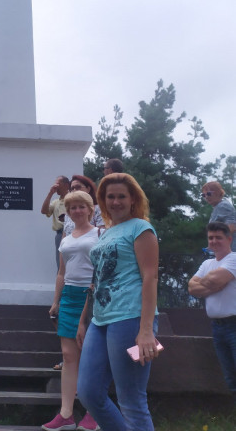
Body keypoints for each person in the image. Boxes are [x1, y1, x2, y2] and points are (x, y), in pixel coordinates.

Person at [76, 173, 159, 431]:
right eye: (110, 196)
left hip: (130, 318)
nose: (115, 201)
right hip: (100, 320)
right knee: (89, 393)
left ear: (133, 199)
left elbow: (150, 277)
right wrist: (83, 320)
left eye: (121, 196)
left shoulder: (141, 228)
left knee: (131, 401)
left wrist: (146, 331)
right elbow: (96, 280)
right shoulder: (106, 233)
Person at [42, 191, 99, 431]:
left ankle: (94, 412)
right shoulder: (65, 238)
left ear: (90, 209)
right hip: (68, 296)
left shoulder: (100, 234)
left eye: (81, 206)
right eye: (72, 207)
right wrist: (56, 301)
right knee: (68, 355)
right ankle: (66, 414)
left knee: (91, 354)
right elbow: (61, 272)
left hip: (92, 296)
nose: (76, 211)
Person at [188, 222, 236, 399]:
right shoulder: (207, 263)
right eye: (211, 238)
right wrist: (213, 286)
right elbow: (191, 288)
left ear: (229, 239)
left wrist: (206, 284)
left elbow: (212, 280)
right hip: (217, 327)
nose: (214, 241)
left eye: (218, 237)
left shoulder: (234, 258)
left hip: (234, 324)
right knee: (230, 379)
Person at [41, 176, 70, 269]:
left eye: (58, 184)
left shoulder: (73, 199)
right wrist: (50, 194)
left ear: (66, 185)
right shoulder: (55, 202)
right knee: (60, 263)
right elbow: (44, 211)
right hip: (60, 234)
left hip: (72, 233)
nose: (55, 186)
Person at [201, 181, 236, 250]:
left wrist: (215, 242)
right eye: (203, 195)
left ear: (218, 193)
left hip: (229, 251)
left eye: (209, 193)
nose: (206, 197)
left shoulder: (223, 205)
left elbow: (232, 227)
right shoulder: (218, 207)